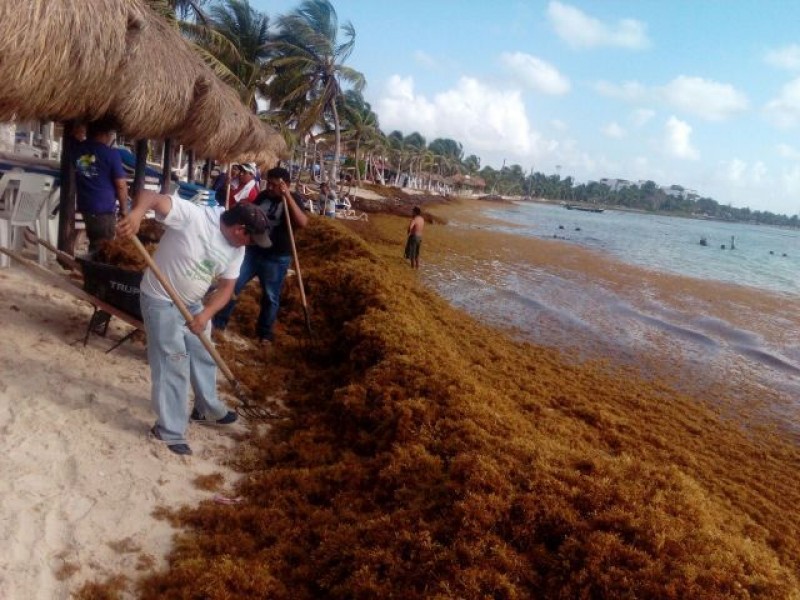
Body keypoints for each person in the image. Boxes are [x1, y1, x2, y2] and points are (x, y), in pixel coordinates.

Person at [116, 191, 271, 456]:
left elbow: (226, 288)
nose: (252, 244)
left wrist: (205, 314)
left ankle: (206, 408)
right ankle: (169, 431)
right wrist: (137, 214)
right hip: (160, 299)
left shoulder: (237, 249)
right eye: (251, 238)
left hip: (194, 304)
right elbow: (151, 197)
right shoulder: (195, 217)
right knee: (172, 361)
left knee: (203, 353)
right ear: (239, 229)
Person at [213, 167, 308, 346]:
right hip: (253, 252)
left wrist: (287, 196)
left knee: (271, 297)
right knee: (234, 285)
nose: (270, 188)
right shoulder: (263, 196)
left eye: (274, 185)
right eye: (268, 183)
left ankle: (265, 333)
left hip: (276, 257)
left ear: (285, 184)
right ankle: (219, 322)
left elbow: (303, 223)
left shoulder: (293, 199)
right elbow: (251, 213)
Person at [74, 117, 128, 254]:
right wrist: (124, 209)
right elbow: (121, 185)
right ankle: (94, 273)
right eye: (110, 134)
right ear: (104, 134)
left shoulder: (77, 149)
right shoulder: (111, 154)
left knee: (95, 243)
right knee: (104, 248)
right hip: (103, 209)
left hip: (86, 206)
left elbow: (74, 136)